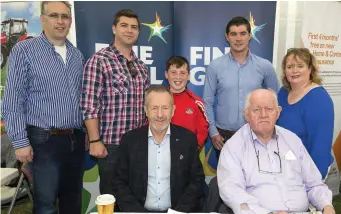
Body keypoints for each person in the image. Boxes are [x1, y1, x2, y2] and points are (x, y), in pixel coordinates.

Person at [2, 2, 85, 213]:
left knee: (73, 202)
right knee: (46, 205)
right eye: (54, 15)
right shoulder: (24, 51)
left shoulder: (77, 56)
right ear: (42, 19)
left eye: (65, 16)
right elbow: (13, 100)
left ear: (70, 21)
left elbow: (81, 99)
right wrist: (20, 142)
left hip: (75, 140)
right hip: (43, 141)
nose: (60, 21)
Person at [217, 89, 335, 214]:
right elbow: (232, 191)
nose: (263, 114)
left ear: (278, 113)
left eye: (269, 109)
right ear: (246, 115)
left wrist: (326, 206)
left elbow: (314, 184)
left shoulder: (292, 140)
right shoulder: (233, 147)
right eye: (256, 110)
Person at [80, 9, 150, 194]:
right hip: (111, 146)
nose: (129, 30)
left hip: (138, 145)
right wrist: (95, 140)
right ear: (114, 28)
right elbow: (89, 105)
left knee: (135, 196)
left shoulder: (141, 66)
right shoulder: (99, 60)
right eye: (124, 25)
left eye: (134, 27)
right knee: (111, 198)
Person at [113, 86, 205, 212]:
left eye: (165, 108)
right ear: (146, 110)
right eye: (154, 108)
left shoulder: (187, 140)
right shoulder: (130, 140)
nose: (160, 115)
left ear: (173, 110)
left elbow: (196, 180)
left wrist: (179, 212)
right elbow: (119, 182)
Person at [203, 16, 279, 160]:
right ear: (227, 37)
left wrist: (268, 130)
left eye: (243, 33)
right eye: (233, 34)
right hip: (223, 135)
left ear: (250, 36)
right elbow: (207, 101)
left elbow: (275, 100)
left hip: (256, 132)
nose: (238, 38)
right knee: (227, 180)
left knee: (256, 180)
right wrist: (213, 131)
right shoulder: (215, 66)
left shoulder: (265, 66)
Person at [277, 48, 334, 179]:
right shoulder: (283, 92)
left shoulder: (318, 98)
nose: (294, 70)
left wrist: (314, 179)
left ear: (310, 69)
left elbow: (321, 144)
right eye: (290, 66)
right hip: (287, 164)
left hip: (309, 167)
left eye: (300, 66)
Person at [165, 56, 209, 149]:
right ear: (166, 74)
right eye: (173, 72)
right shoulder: (157, 99)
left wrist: (194, 149)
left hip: (187, 155)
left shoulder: (196, 102)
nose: (178, 77)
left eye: (182, 73)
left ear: (188, 76)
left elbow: (203, 129)